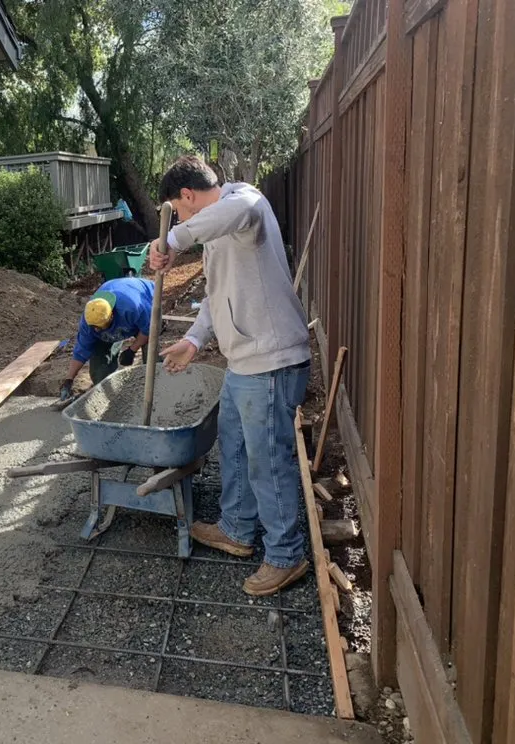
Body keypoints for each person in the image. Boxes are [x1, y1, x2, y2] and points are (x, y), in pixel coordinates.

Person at [149, 155, 311, 597]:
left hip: (272, 362)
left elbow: (240, 210)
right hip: (244, 364)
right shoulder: (219, 233)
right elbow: (216, 295)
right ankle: (237, 529)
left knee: (268, 463)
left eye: (178, 212)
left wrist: (174, 238)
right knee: (234, 446)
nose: (179, 220)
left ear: (186, 197)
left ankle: (285, 555)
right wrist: (194, 341)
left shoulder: (245, 203)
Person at [60, 276, 156, 400]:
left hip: (144, 296)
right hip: (118, 308)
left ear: (111, 316)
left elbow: (148, 330)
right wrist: (69, 380)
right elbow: (81, 351)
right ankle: (112, 398)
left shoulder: (134, 307)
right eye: (94, 327)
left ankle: (153, 392)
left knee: (152, 353)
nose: (96, 330)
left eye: (100, 326)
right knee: (99, 374)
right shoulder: (89, 321)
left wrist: (132, 350)